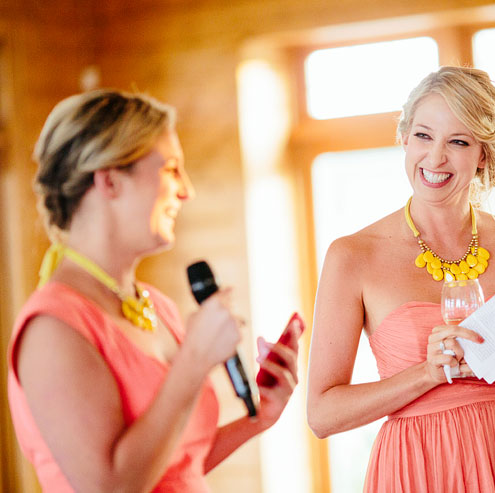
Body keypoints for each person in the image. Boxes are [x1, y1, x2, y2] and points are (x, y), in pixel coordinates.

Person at [306, 66, 495, 492]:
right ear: (404, 139)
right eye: (423, 136)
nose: (435, 158)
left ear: (484, 155)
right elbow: (322, 415)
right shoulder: (352, 256)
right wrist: (426, 374)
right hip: (417, 467)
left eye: (458, 141)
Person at [6, 89, 299, 492]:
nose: (187, 190)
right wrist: (193, 363)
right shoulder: (52, 328)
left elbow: (173, 467)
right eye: (172, 169)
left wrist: (259, 418)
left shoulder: (156, 307)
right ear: (109, 180)